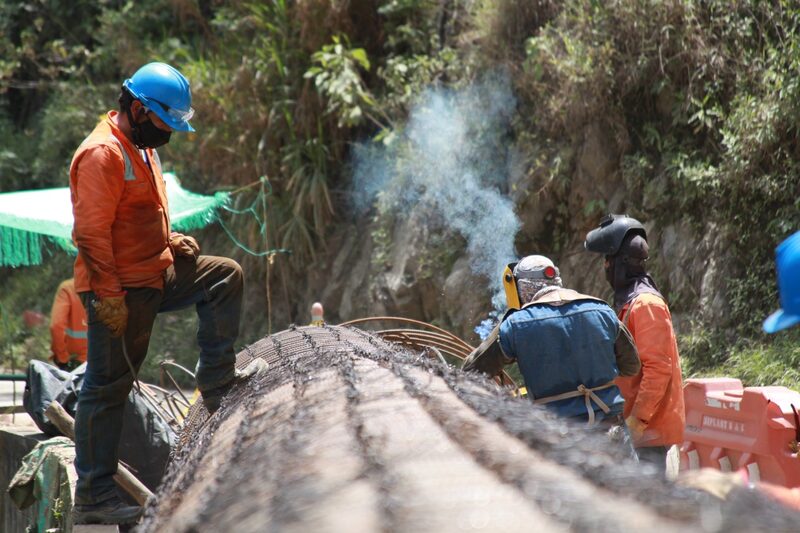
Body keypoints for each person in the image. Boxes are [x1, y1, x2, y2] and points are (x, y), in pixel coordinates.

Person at [69, 62, 246, 525]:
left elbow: (139, 212)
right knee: (107, 389)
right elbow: (91, 233)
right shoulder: (102, 154)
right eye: (164, 123)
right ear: (137, 109)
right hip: (120, 287)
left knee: (223, 276)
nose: (168, 133)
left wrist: (170, 242)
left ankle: (217, 380)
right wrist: (108, 296)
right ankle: (93, 495)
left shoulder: (142, 149)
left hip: (153, 273)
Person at [463, 255, 640, 426]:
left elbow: (471, 370)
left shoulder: (516, 324)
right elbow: (632, 366)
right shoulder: (603, 311)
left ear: (523, 289)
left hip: (557, 435)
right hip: (611, 428)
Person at [584, 214, 685, 471]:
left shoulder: (646, 304)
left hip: (648, 431)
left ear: (619, 263)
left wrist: (636, 422)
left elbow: (658, 369)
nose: (605, 266)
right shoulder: (629, 302)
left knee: (650, 506)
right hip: (636, 428)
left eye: (608, 260)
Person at [49, 278, 88, 371]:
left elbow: (56, 326)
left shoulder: (68, 288)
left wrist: (62, 358)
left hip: (77, 365)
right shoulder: (111, 289)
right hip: (106, 364)